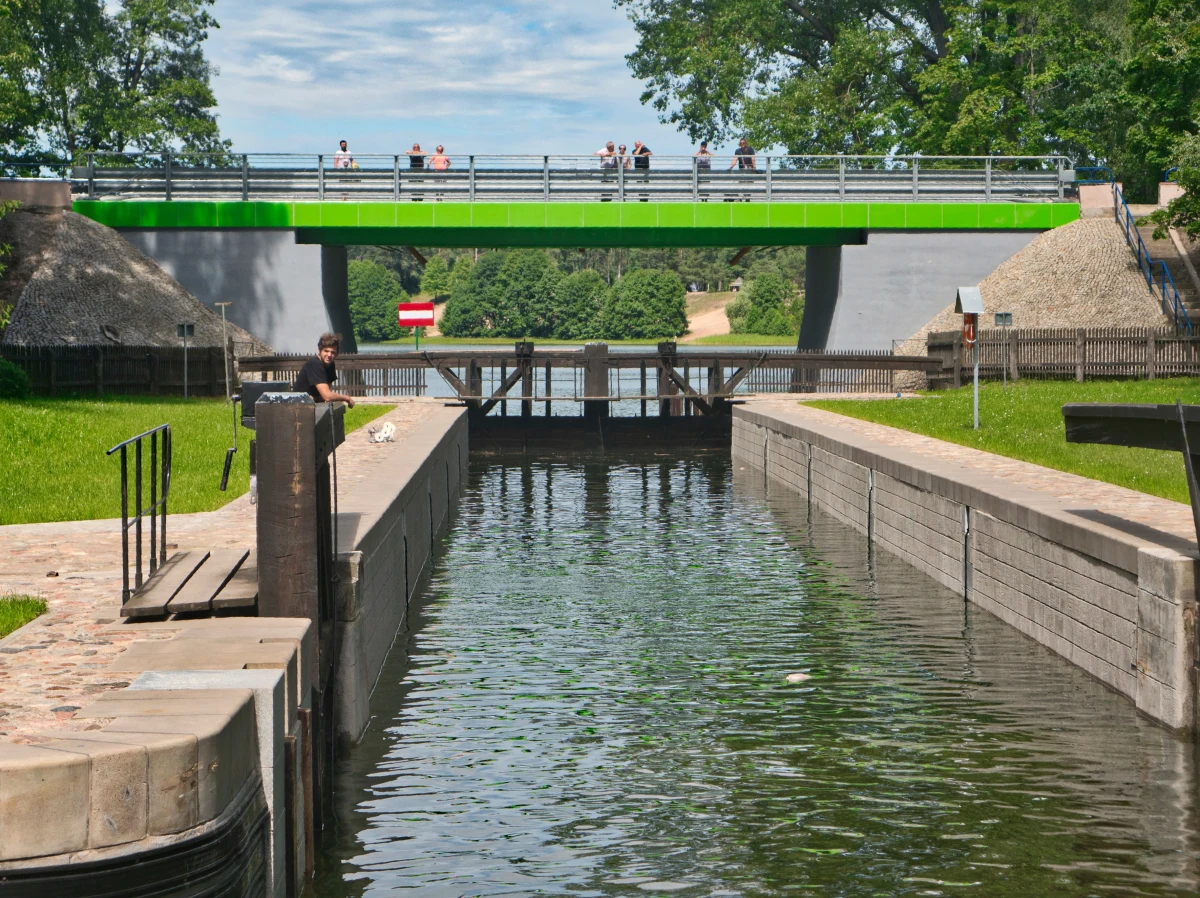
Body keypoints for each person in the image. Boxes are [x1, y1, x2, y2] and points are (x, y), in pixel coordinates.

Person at [292, 333, 356, 407]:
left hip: (313, 403)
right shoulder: (315, 364)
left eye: (333, 352)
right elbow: (327, 396)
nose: (329, 355)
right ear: (319, 350)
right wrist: (347, 398)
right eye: (326, 351)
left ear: (337, 354)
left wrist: (316, 398)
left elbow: (326, 395)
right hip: (299, 405)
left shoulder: (331, 364)